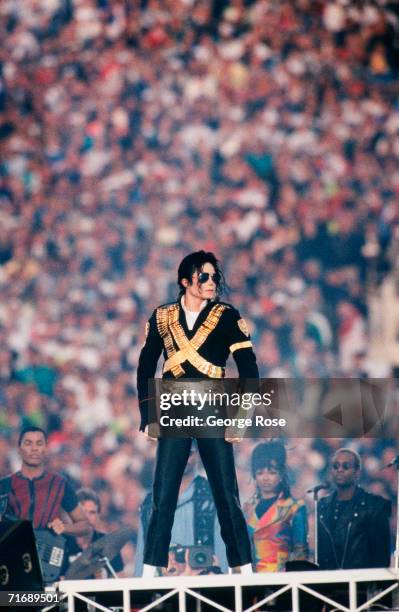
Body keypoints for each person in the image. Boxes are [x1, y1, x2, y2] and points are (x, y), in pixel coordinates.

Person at [137, 250, 258, 576]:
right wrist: (148, 416)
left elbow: (249, 368)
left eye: (214, 276)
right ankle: (150, 570)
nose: (212, 282)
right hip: (174, 409)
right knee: (163, 494)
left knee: (225, 493)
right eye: (204, 276)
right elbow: (146, 366)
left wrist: (242, 417)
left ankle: (243, 569)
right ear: (185, 281)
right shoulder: (161, 316)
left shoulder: (228, 316)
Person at [0, 426, 90, 583]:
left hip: (50, 567)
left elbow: (85, 526)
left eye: (39, 443)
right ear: (19, 448)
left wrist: (65, 527)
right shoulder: (4, 485)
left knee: (52, 604)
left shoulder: (60, 483)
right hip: (13, 565)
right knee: (14, 603)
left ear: (46, 448)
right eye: (28, 443)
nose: (34, 448)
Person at [134, 444, 228, 576]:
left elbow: (223, 556)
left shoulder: (214, 496)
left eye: (188, 453)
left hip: (203, 589)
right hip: (163, 591)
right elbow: (142, 561)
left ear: (197, 455)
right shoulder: (150, 503)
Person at [317, 447, 391, 570]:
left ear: (357, 472)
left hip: (360, 583)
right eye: (335, 466)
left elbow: (381, 557)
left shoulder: (374, 506)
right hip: (328, 583)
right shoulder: (322, 506)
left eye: (345, 466)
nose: (339, 470)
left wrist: (374, 586)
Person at [244, 440, 308, 572]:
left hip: (282, 580)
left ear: (281, 474)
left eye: (272, 472)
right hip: (251, 581)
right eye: (260, 473)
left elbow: (300, 551)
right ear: (254, 475)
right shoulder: (247, 508)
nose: (265, 478)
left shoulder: (294, 508)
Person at [63, 488, 124, 578]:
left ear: (98, 515)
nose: (87, 518)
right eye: (82, 512)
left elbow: (121, 579)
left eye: (92, 512)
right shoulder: (61, 543)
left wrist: (106, 576)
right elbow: (50, 581)